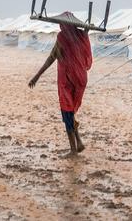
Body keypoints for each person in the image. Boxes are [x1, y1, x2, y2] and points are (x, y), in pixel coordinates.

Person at [28, 13, 92, 157]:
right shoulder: (81, 36)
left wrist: (37, 76)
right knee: (70, 112)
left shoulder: (62, 38)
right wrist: (86, 32)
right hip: (81, 80)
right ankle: (79, 142)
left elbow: (51, 58)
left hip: (67, 80)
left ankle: (73, 150)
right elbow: (86, 54)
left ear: (63, 25)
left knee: (67, 113)